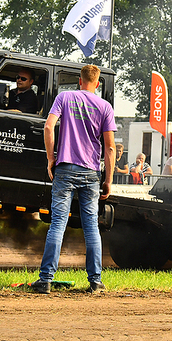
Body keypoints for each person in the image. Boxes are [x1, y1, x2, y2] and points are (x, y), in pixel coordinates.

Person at [31, 64, 116, 295]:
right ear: (97, 84)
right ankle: (95, 281)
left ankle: (45, 280)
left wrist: (51, 158)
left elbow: (48, 127)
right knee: (91, 227)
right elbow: (109, 148)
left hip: (65, 168)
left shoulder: (65, 97)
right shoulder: (104, 106)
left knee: (58, 224)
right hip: (90, 173)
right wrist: (108, 179)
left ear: (80, 81)